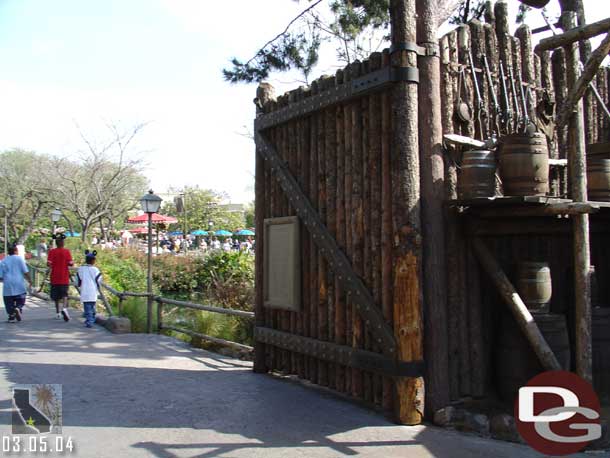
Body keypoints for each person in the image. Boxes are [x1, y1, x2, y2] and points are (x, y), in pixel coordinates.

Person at [0, 244, 32, 322]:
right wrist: (30, 280)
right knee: (21, 297)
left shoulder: (3, 261)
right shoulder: (19, 259)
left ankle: (11, 315)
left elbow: (0, 276)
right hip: (19, 282)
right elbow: (25, 271)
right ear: (16, 251)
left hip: (8, 283)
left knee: (8, 301)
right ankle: (18, 308)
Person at [47, 233, 73, 321]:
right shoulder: (67, 251)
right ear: (63, 243)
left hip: (54, 277)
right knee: (65, 294)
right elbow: (71, 263)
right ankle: (64, 308)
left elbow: (48, 263)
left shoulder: (52, 252)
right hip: (64, 276)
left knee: (56, 297)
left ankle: (58, 313)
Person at [76, 250, 102, 328]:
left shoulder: (81, 269)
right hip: (93, 290)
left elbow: (78, 278)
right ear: (93, 260)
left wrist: (79, 284)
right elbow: (99, 279)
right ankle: (90, 321)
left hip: (85, 290)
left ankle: (89, 320)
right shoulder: (95, 269)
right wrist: (98, 285)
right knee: (92, 306)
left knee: (87, 307)